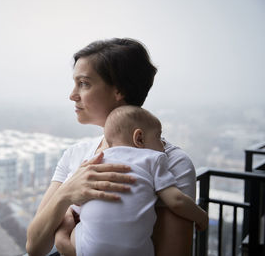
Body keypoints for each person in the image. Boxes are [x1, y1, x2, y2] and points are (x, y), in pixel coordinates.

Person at [26, 38, 197, 256]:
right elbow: (34, 248)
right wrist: (65, 194)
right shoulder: (75, 154)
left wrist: (67, 248)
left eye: (84, 83)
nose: (72, 95)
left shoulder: (173, 163)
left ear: (119, 90)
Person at [54, 105, 208, 256]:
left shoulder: (94, 162)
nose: (163, 145)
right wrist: (201, 217)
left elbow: (79, 201)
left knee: (78, 223)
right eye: (158, 137)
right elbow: (176, 201)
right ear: (139, 138)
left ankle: (63, 236)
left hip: (89, 250)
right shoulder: (153, 159)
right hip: (135, 252)